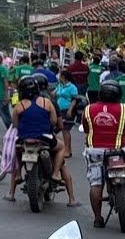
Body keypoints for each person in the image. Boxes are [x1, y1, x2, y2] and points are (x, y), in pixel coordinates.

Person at [7, 75, 80, 207]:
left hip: (24, 139)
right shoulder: (48, 102)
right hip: (45, 138)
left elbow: (15, 125)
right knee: (62, 148)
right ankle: (57, 176)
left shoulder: (19, 105)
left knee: (17, 151)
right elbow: (54, 121)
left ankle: (16, 180)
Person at [83, 81, 125, 228]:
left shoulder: (88, 109)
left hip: (95, 152)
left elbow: (86, 129)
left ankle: (98, 218)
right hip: (120, 150)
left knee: (96, 184)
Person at [54, 70, 79, 155]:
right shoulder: (60, 86)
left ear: (63, 77)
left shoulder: (72, 87)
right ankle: (66, 148)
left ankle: (67, 149)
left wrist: (70, 110)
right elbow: (54, 94)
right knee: (59, 128)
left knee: (65, 129)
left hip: (67, 109)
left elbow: (74, 99)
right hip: (59, 109)